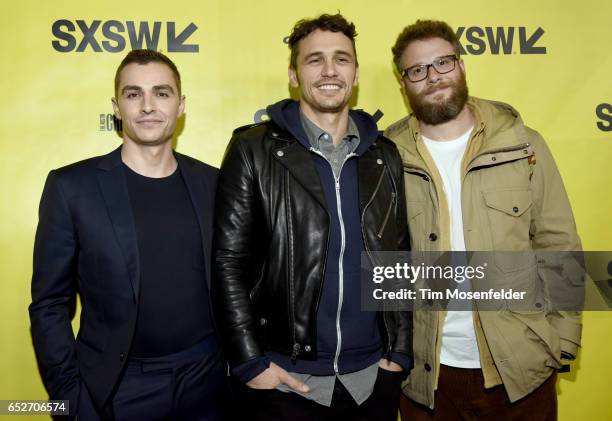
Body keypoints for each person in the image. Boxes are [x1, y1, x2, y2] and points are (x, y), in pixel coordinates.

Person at [213, 13, 412, 421]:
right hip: (285, 380)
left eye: (341, 59)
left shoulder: (384, 155)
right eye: (314, 59)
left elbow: (400, 257)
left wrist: (401, 352)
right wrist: (251, 362)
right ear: (293, 74)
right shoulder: (254, 150)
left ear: (355, 74)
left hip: (373, 379)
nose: (329, 71)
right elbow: (227, 263)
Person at [384, 19, 582, 420]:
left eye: (443, 63)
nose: (433, 77)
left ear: (462, 65)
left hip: (522, 372)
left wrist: (564, 340)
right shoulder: (385, 157)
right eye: (417, 70)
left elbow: (558, 245)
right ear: (403, 83)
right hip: (427, 377)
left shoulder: (522, 144)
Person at [29, 49, 227, 420]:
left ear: (181, 105)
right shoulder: (72, 187)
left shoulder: (215, 183)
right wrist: (70, 397)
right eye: (133, 94)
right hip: (119, 387)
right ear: (117, 107)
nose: (148, 106)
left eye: (162, 93)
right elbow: (49, 305)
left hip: (208, 381)